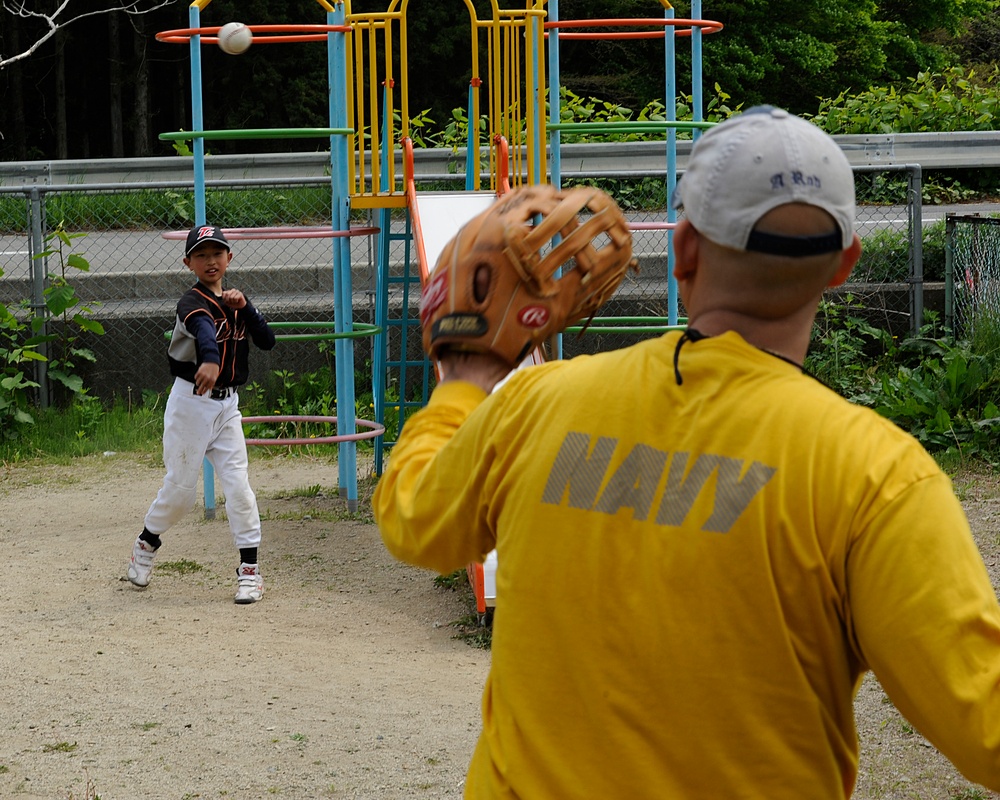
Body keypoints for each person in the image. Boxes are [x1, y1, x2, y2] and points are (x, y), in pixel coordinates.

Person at [372, 107, 1000, 798]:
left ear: (685, 250)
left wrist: (465, 379)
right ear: (844, 264)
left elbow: (417, 523)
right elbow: (984, 723)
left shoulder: (538, 404)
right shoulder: (875, 475)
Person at [127, 225, 276, 605]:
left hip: (227, 406)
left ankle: (250, 572)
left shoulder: (236, 300)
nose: (210, 261)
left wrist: (249, 308)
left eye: (217, 253)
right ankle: (146, 543)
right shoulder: (190, 302)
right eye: (201, 255)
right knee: (180, 493)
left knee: (239, 488)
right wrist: (209, 360)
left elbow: (267, 340)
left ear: (229, 258)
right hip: (191, 404)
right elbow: (204, 330)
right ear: (188, 262)